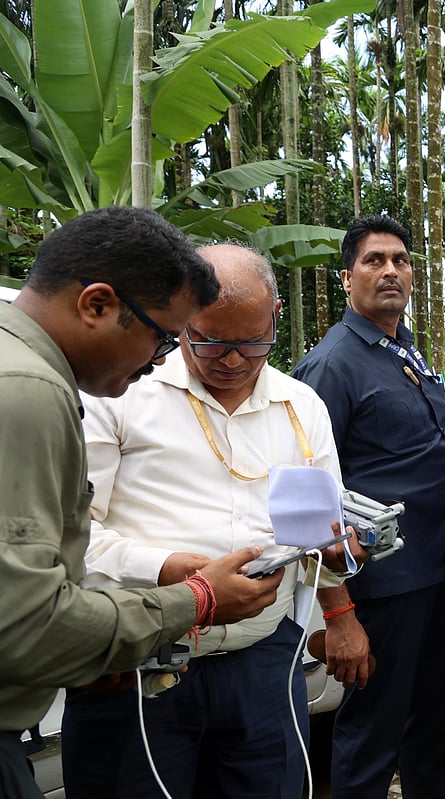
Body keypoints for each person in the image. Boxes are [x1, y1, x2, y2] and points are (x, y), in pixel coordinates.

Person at [61, 245, 366, 798]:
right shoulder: (120, 392)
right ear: (181, 319)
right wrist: (171, 571)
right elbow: (71, 538)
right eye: (208, 340)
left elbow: (322, 528)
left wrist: (338, 563)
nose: (231, 360)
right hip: (139, 664)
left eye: (252, 343)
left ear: (275, 315)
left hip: (264, 658)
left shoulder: (303, 406)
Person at [0, 207, 282, 799]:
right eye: (162, 336)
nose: (160, 360)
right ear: (97, 304)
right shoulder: (30, 392)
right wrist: (196, 598)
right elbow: (26, 626)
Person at [293, 215, 445, 799]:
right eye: (374, 260)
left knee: (437, 732)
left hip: (441, 573)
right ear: (347, 278)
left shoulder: (405, 351)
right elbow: (309, 497)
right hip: (383, 588)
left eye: (400, 259)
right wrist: (340, 614)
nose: (391, 270)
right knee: (372, 740)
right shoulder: (332, 364)